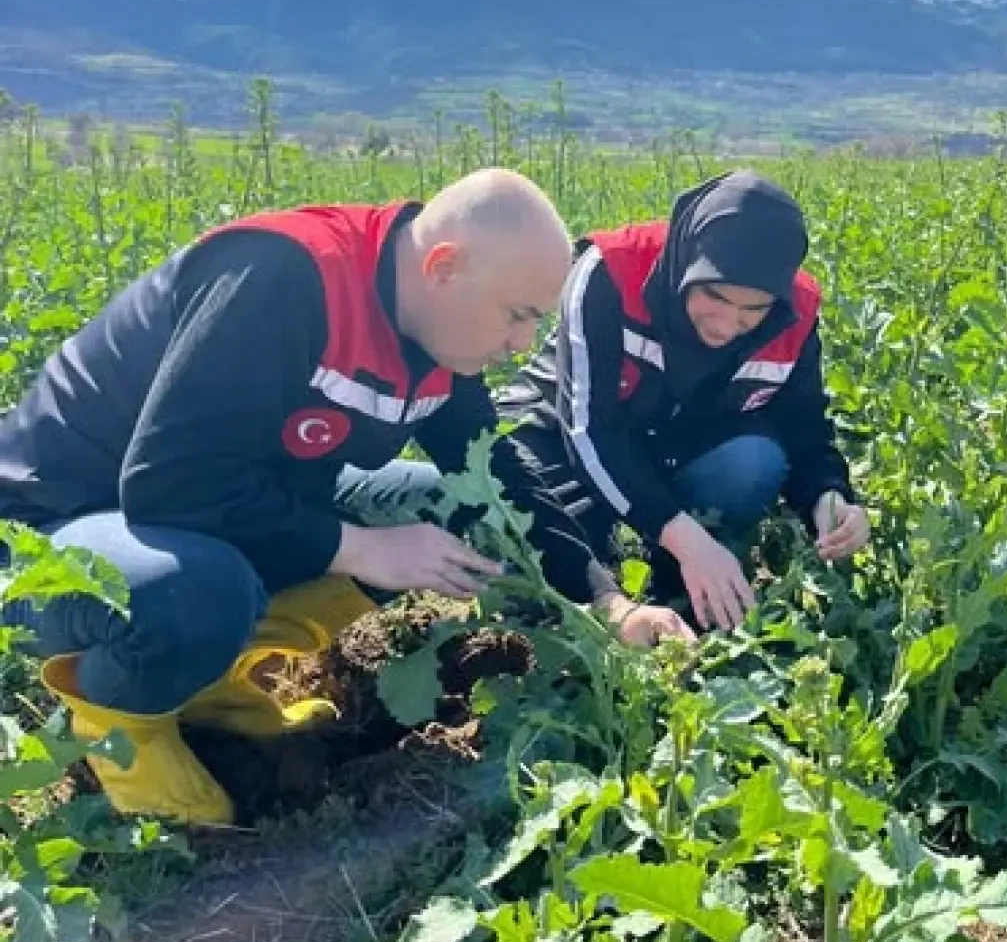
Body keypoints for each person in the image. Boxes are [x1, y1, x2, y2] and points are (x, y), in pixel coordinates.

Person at [0, 171, 691, 826]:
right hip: (55, 536)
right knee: (192, 591)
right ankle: (120, 719)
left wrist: (607, 598)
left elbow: (493, 476)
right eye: (517, 317)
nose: (520, 345)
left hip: (204, 517)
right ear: (445, 266)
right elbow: (167, 483)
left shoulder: (433, 330)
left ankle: (208, 682)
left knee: (440, 510)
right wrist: (360, 548)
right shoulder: (282, 281)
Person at [496, 170, 871, 632]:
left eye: (752, 310)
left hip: (673, 439)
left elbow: (804, 427)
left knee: (751, 463)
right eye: (714, 296)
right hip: (561, 427)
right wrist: (686, 538)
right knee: (532, 543)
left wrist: (828, 499)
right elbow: (589, 431)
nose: (726, 324)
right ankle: (627, 579)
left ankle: (672, 573)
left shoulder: (795, 311)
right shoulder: (609, 273)